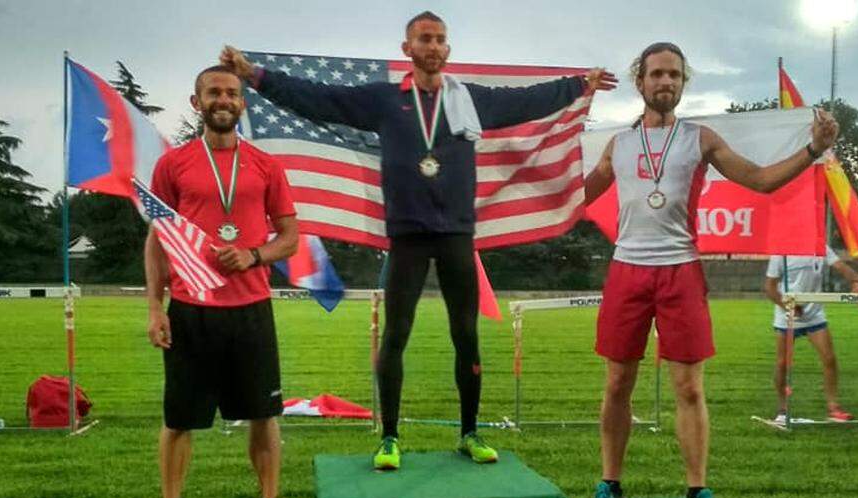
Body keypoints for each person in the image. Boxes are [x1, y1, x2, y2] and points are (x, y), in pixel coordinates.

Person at [219, 11, 616, 471]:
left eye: (440, 39)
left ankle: (469, 433)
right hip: (406, 236)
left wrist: (577, 85)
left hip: (456, 236)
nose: (433, 46)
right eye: (424, 39)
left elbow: (526, 101)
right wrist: (255, 76)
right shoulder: (385, 100)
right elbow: (321, 98)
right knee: (396, 335)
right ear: (407, 49)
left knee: (465, 336)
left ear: (448, 49)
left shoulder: (469, 100)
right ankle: (389, 437)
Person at [577, 42, 839, 498]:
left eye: (674, 75)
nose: (665, 82)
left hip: (680, 270)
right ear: (640, 81)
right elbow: (577, 196)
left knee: (689, 387)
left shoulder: (700, 138)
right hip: (627, 270)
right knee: (616, 383)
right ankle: (610, 488)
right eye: (656, 74)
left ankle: (697, 496)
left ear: (683, 82)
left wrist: (813, 150)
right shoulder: (619, 145)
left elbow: (760, 181)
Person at [143, 65, 300, 498]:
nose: (224, 99)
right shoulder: (174, 166)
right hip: (192, 308)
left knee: (264, 414)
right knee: (179, 418)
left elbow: (290, 236)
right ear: (197, 103)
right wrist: (154, 305)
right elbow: (157, 239)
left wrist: (254, 255)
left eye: (232, 92)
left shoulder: (266, 166)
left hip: (251, 309)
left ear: (243, 103)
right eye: (214, 92)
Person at [765, 248, 858, 424]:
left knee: (829, 359)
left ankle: (833, 407)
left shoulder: (820, 246)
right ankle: (782, 408)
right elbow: (770, 288)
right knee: (782, 363)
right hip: (787, 315)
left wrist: (856, 281)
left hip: (814, 314)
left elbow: (841, 267)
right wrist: (785, 305)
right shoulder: (781, 251)